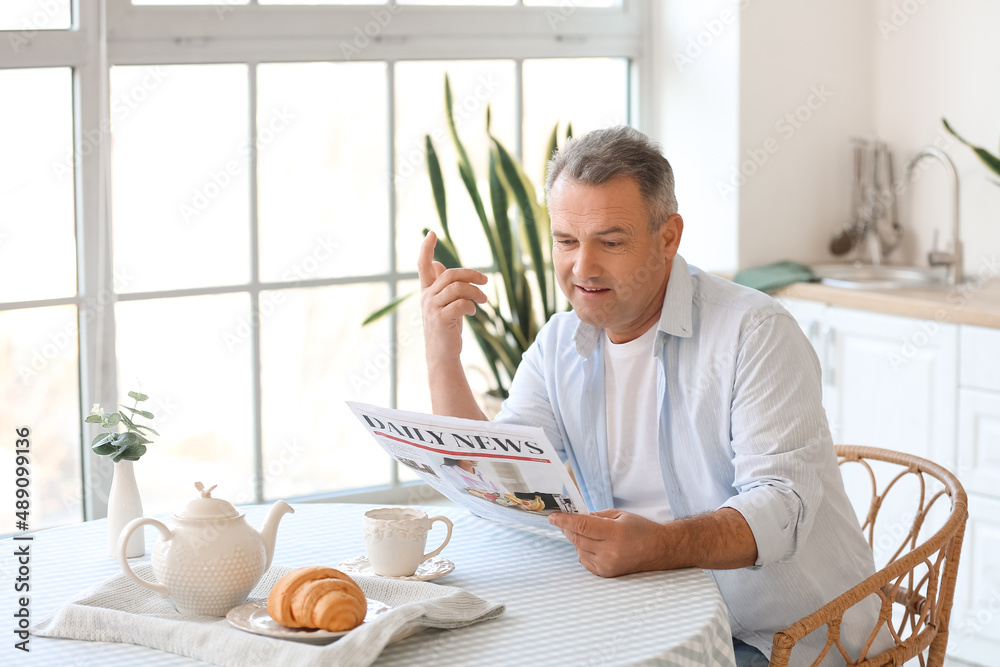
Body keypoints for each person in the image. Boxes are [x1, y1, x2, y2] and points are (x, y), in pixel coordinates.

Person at [417, 125, 884, 665]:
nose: (582, 268)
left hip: (776, 634)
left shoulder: (755, 332)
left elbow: (782, 508)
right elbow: (499, 480)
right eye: (566, 241)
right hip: (639, 611)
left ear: (668, 237)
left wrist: (659, 546)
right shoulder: (557, 347)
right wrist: (442, 354)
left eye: (611, 242)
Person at [439, 458, 510, 497]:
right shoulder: (448, 470)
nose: (475, 457)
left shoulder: (481, 473)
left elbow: (503, 491)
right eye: (469, 453)